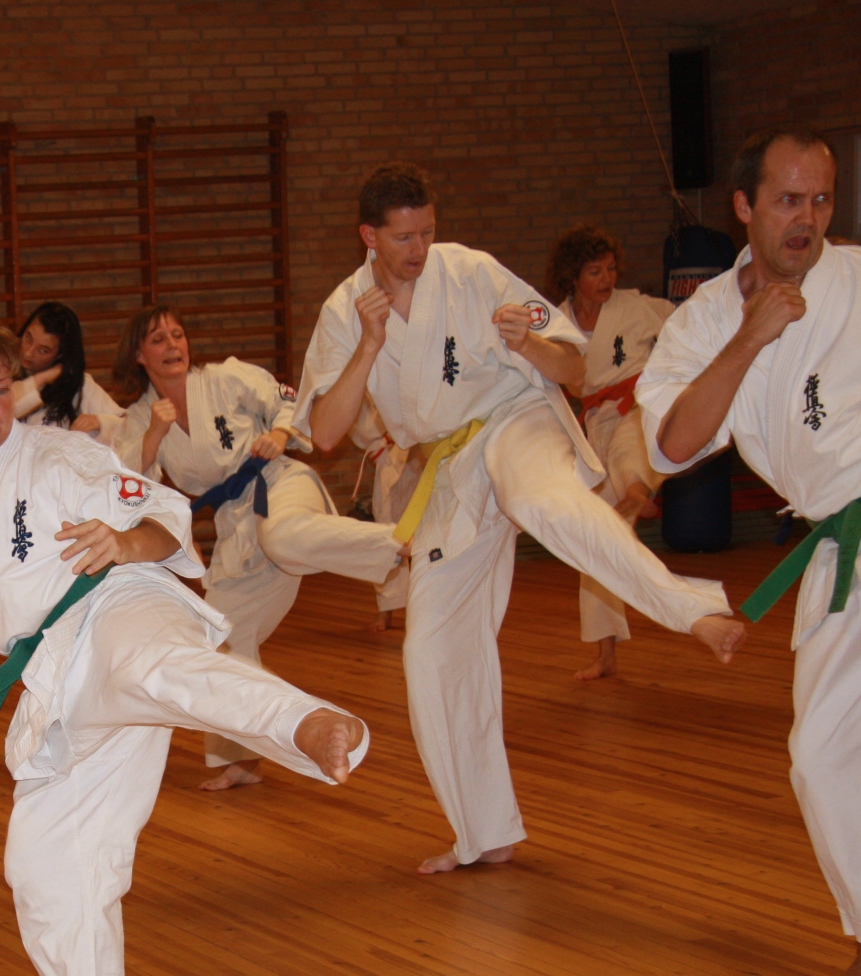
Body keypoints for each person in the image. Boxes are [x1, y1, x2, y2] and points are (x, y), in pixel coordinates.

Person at [0, 317, 369, 976]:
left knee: (159, 669)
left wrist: (126, 543)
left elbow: (164, 520)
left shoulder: (59, 455)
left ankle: (304, 723)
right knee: (43, 862)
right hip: (57, 673)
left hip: (118, 603)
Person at [299, 163, 744, 875]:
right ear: (368, 236)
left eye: (428, 232)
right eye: (404, 237)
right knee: (431, 650)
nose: (419, 249)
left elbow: (572, 369)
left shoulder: (471, 273)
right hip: (450, 470)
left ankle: (692, 609)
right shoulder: (344, 310)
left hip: (515, 419)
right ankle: (483, 833)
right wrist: (368, 347)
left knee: (544, 502)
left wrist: (528, 345)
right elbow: (325, 432)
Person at [639, 129, 861, 976]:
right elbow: (671, 446)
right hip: (837, 547)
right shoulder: (703, 322)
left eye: (821, 200)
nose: (807, 218)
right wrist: (747, 339)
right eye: (787, 200)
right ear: (743, 207)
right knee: (821, 755)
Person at [115, 304, 405, 791]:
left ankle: (401, 543)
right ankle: (243, 759)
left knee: (284, 537)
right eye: (158, 340)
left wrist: (279, 432)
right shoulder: (143, 417)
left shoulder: (225, 378)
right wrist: (154, 435)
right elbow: (127, 484)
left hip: (279, 483)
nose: (172, 346)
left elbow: (290, 399)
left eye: (177, 335)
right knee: (220, 636)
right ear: (139, 355)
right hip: (237, 524)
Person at [546, 226, 678, 680]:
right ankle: (605, 654)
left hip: (636, 406)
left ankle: (638, 492)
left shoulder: (636, 307)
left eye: (610, 269)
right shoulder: (557, 323)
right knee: (594, 541)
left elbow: (690, 322)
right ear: (572, 277)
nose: (607, 279)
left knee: (629, 450)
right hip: (592, 423)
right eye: (594, 272)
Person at [10, 301, 128, 445]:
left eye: (43, 350)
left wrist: (100, 421)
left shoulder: (78, 385)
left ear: (60, 354)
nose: (29, 353)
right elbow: (7, 410)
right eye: (28, 339)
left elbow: (128, 426)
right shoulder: (1, 369)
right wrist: (43, 378)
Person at [349, 400, 418, 631]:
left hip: (422, 446)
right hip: (388, 456)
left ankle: (431, 607)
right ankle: (387, 608)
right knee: (390, 535)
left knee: (431, 529)